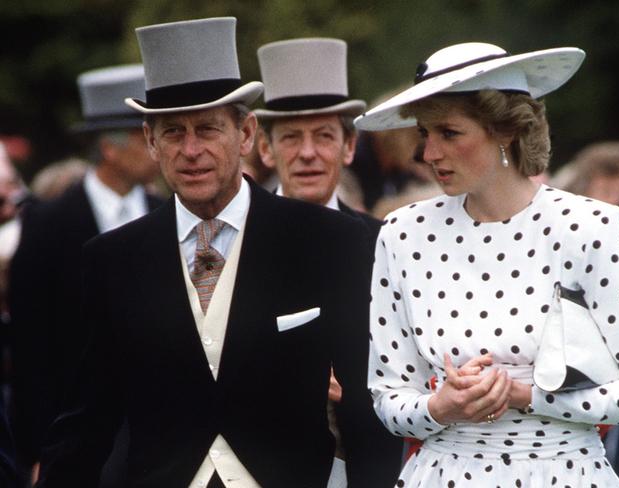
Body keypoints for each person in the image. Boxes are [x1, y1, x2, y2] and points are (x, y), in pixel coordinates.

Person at [35, 17, 385, 488]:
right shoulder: (112, 259)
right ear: (150, 141)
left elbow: (365, 407)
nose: (192, 149)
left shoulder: (329, 240)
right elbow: (86, 422)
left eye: (207, 128)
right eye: (174, 132)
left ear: (245, 135)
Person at [354, 42, 619, 487]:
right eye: (424, 134)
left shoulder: (594, 227)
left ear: (505, 131)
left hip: (563, 473)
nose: (429, 153)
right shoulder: (402, 233)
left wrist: (526, 396)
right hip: (442, 474)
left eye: (449, 133)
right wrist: (440, 407)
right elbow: (388, 397)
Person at [254, 37, 403, 487]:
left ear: (349, 146)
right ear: (265, 148)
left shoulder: (385, 245)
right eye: (291, 137)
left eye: (323, 136)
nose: (307, 153)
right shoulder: (236, 243)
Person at [9, 64, 163, 484]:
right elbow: (31, 349)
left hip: (159, 437)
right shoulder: (49, 224)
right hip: (78, 438)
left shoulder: (164, 214)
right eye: (141, 135)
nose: (156, 147)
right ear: (109, 148)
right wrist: (42, 448)